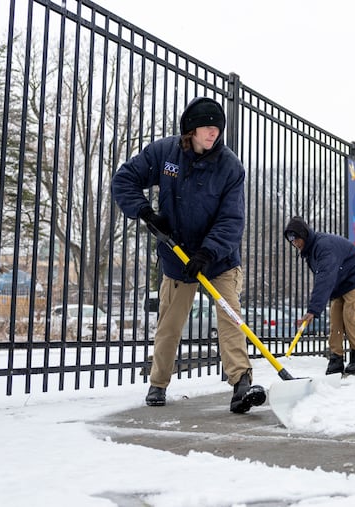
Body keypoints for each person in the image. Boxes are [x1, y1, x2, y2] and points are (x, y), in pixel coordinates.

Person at [111, 97, 266, 413]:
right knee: (170, 321)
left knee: (229, 316)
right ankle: (158, 383)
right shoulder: (165, 153)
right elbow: (124, 179)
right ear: (190, 129)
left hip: (219, 259)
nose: (213, 133)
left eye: (217, 128)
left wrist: (208, 252)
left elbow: (231, 219)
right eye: (207, 127)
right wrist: (146, 213)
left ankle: (241, 384)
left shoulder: (230, 168)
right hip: (177, 254)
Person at [283, 216, 355, 375]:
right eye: (291, 241)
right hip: (340, 282)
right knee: (335, 319)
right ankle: (336, 359)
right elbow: (326, 277)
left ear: (304, 235)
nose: (295, 244)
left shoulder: (323, 246)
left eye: (296, 239)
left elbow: (324, 277)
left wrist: (313, 309)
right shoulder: (310, 250)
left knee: (350, 314)